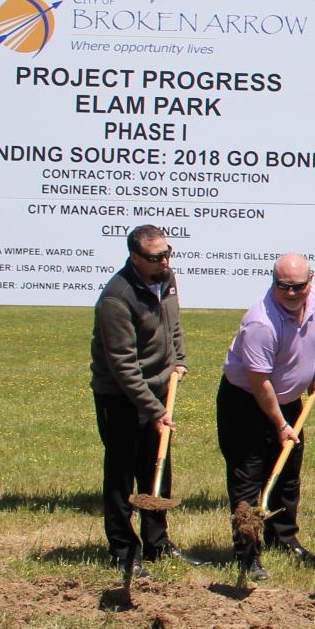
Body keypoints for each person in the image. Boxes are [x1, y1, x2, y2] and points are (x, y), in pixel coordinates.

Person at [216, 253, 315, 580]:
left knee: (287, 473)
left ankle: (284, 538)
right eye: (283, 286)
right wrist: (281, 424)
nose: (291, 293)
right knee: (249, 477)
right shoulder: (260, 322)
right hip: (246, 403)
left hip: (288, 399)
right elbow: (259, 382)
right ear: (273, 283)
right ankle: (247, 553)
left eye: (297, 286)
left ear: (309, 283)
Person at [90, 224, 194, 576]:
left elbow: (172, 325)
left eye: (167, 253)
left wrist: (177, 359)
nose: (164, 260)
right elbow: (122, 365)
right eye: (155, 257)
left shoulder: (166, 278)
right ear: (135, 257)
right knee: (122, 474)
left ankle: (157, 543)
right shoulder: (116, 300)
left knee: (157, 470)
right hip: (120, 396)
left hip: (159, 388)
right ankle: (123, 549)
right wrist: (153, 410)